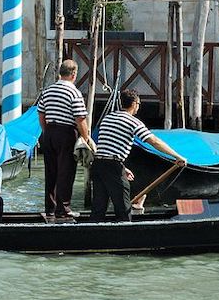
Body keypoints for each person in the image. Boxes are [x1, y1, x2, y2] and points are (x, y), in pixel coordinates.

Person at [91, 89, 185, 221]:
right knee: (123, 207)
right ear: (135, 104)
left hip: (98, 165)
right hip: (113, 166)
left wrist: (123, 168)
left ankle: (94, 233)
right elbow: (154, 141)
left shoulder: (108, 118)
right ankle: (125, 234)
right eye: (139, 104)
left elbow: (107, 148)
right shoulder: (133, 122)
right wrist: (177, 156)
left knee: (98, 207)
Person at [37, 59, 93, 218]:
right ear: (74, 74)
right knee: (65, 172)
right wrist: (86, 138)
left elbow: (41, 113)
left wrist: (47, 131)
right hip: (66, 133)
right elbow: (80, 118)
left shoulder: (47, 90)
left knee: (51, 172)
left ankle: (50, 208)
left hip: (49, 133)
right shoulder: (74, 92)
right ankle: (63, 209)